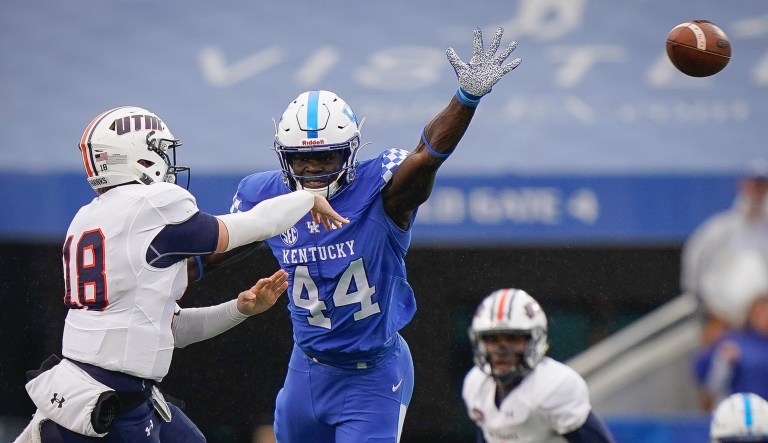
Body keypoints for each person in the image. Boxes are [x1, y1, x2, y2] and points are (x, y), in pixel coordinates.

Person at [229, 27, 521, 442]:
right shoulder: (264, 195)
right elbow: (210, 250)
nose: (312, 170)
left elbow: (425, 157)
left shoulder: (382, 193)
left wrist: (465, 99)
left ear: (350, 152)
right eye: (301, 159)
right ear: (283, 157)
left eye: (324, 157)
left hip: (372, 375)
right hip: (305, 368)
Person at [14, 106, 347, 443]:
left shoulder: (89, 216)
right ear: (139, 157)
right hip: (111, 401)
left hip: (110, 389)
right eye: (160, 151)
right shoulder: (152, 204)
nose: (168, 161)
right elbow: (253, 225)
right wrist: (307, 198)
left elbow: (170, 328)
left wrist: (239, 308)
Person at [462, 288, 616, 443]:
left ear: (535, 340)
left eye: (513, 339)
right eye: (492, 340)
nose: (502, 350)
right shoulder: (476, 385)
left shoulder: (552, 386)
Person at [681, 158, 768, 345]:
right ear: (743, 185)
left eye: (763, 185)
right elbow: (694, 273)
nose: (759, 191)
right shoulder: (719, 229)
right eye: (755, 184)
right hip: (723, 323)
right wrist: (707, 309)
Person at [694, 280, 768, 410]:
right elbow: (707, 382)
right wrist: (722, 361)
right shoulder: (733, 340)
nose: (765, 317)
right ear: (751, 314)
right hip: (738, 414)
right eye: (761, 312)